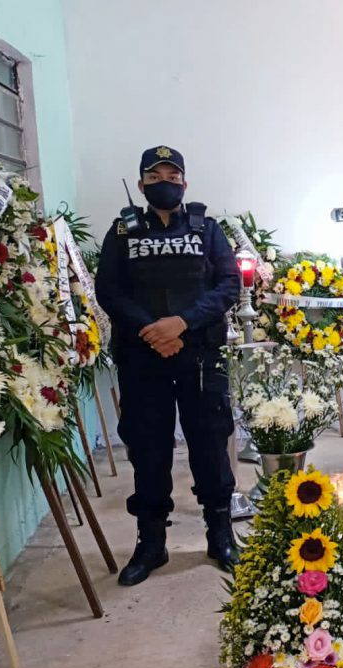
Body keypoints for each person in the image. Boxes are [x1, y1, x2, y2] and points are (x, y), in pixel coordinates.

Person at [96, 145, 241, 586]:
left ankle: (221, 536)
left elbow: (228, 284)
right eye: (155, 176)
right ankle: (151, 544)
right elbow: (109, 290)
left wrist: (181, 323)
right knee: (148, 448)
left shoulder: (207, 229)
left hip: (199, 354)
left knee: (211, 444)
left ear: (184, 182)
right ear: (141, 185)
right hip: (144, 357)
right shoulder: (122, 232)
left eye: (172, 175)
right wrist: (152, 331)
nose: (165, 182)